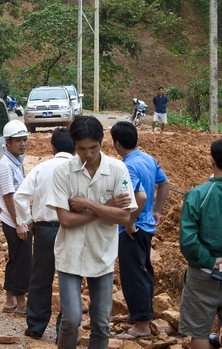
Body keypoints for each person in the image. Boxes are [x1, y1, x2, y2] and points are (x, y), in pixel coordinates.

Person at [46, 116, 138, 349]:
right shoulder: (63, 172)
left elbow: (125, 216)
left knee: (101, 322)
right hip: (70, 254)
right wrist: (107, 207)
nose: (87, 154)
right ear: (74, 146)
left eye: (93, 148)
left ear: (102, 142)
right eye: (81, 149)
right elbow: (65, 220)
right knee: (71, 319)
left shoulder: (118, 170)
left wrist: (89, 204)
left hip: (102, 254)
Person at [110, 121, 170, 339]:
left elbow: (140, 196)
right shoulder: (148, 159)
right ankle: (141, 313)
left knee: (133, 273)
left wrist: (129, 221)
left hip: (133, 229)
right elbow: (164, 184)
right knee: (144, 270)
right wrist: (157, 211)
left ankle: (142, 325)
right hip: (147, 227)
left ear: (116, 143)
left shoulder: (127, 166)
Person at [14, 127, 75, 339]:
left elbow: (20, 196)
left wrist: (27, 221)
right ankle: (65, 332)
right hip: (72, 230)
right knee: (70, 279)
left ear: (52, 146)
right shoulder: (79, 169)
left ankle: (36, 327)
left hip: (45, 229)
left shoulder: (42, 168)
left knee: (40, 279)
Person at [178, 138, 222, 349]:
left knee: (199, 332)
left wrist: (212, 260)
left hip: (204, 274)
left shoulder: (198, 195)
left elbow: (188, 242)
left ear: (212, 161)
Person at [0, 120, 32, 315]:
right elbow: (9, 195)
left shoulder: (16, 162)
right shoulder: (6, 165)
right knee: (22, 261)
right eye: (19, 140)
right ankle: (20, 302)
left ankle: (9, 300)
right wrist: (19, 223)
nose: (23, 144)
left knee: (15, 258)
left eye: (24, 139)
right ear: (8, 142)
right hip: (14, 221)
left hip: (17, 219)